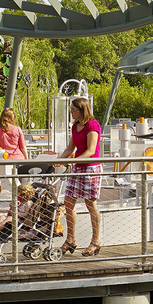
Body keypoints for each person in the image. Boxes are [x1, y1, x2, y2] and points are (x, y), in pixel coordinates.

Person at [57, 97, 102, 256]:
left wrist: (72, 162)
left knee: (91, 204)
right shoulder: (75, 126)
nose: (71, 112)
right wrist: (57, 161)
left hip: (90, 168)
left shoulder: (92, 125)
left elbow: (90, 150)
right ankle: (71, 239)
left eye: (73, 110)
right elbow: (70, 148)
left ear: (82, 110)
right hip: (77, 167)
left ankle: (95, 242)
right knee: (68, 203)